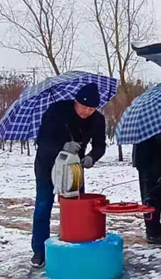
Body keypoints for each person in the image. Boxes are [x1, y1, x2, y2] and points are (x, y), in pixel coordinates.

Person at [31, 83, 106, 267]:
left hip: (74, 167)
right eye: (84, 107)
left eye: (91, 109)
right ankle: (39, 251)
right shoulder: (56, 111)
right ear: (76, 102)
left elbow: (100, 145)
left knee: (76, 206)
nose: (87, 112)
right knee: (43, 205)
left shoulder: (97, 119)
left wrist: (92, 157)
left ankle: (76, 244)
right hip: (47, 165)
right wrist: (62, 146)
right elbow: (42, 140)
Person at [133, 129, 161, 245]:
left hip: (151, 162)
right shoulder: (154, 124)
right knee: (151, 198)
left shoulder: (152, 122)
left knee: (155, 197)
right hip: (150, 162)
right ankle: (152, 233)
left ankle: (156, 230)